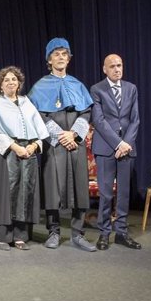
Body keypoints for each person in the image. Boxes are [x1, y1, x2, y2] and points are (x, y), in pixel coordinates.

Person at [28, 38, 95, 251]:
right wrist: (60, 135)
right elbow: (37, 114)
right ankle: (54, 232)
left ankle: (78, 234)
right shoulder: (40, 86)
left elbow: (86, 111)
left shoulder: (77, 84)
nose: (60, 57)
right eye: (56, 54)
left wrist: (74, 134)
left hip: (75, 143)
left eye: (64, 54)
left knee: (80, 187)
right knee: (52, 187)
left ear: (69, 58)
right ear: (49, 59)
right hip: (55, 144)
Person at [0, 67, 49, 250]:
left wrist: (33, 146)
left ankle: (20, 235)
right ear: (0, 85)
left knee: (25, 193)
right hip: (8, 153)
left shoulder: (27, 103)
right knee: (7, 193)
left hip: (28, 153)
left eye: (14, 79)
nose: (11, 82)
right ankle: (3, 237)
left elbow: (39, 130)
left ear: (19, 83)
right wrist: (15, 147)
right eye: (6, 80)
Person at [90, 54, 141, 250]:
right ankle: (104, 233)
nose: (117, 69)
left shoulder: (131, 88)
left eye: (119, 65)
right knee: (106, 194)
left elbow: (135, 119)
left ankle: (121, 232)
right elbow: (99, 121)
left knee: (124, 194)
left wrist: (126, 143)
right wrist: (118, 143)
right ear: (105, 69)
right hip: (106, 148)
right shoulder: (97, 89)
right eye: (112, 66)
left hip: (127, 148)